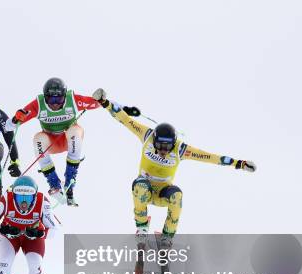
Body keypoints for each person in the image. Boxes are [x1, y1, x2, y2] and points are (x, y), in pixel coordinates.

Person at [92, 88, 257, 247]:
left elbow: (210, 157)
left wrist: (239, 164)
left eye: (167, 147)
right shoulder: (147, 135)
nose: (163, 150)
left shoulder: (180, 149)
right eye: (160, 146)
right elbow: (125, 120)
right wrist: (104, 102)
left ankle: (167, 236)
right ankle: (142, 227)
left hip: (163, 194)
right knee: (141, 185)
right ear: (154, 140)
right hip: (145, 191)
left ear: (173, 144)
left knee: (177, 195)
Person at [11, 78, 101, 206]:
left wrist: (100, 97)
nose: (54, 103)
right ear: (45, 97)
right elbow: (13, 124)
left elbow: (96, 103)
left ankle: (70, 182)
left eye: (58, 99)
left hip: (69, 140)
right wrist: (16, 118)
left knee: (75, 131)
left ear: (64, 96)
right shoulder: (38, 104)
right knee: (38, 139)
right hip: (51, 143)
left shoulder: (72, 100)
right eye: (50, 99)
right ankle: (55, 184)